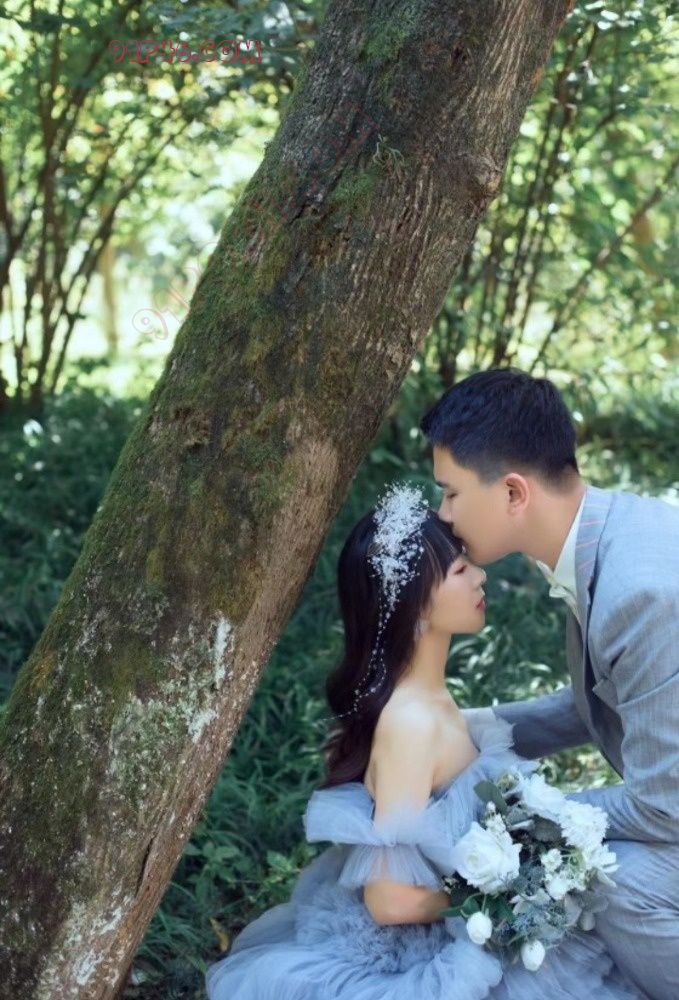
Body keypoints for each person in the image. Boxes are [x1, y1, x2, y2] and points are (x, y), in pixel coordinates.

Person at [205, 480, 643, 1000]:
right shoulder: (410, 723)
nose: (481, 576)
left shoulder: (428, 698)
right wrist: (505, 896)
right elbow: (388, 900)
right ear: (414, 604)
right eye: (460, 570)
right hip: (426, 952)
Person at [420, 366, 679, 1000]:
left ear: (513, 492)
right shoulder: (610, 533)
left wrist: (505, 816)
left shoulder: (639, 593)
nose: (443, 515)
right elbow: (597, 701)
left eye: (450, 493)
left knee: (617, 879)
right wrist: (462, 732)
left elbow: (662, 808)